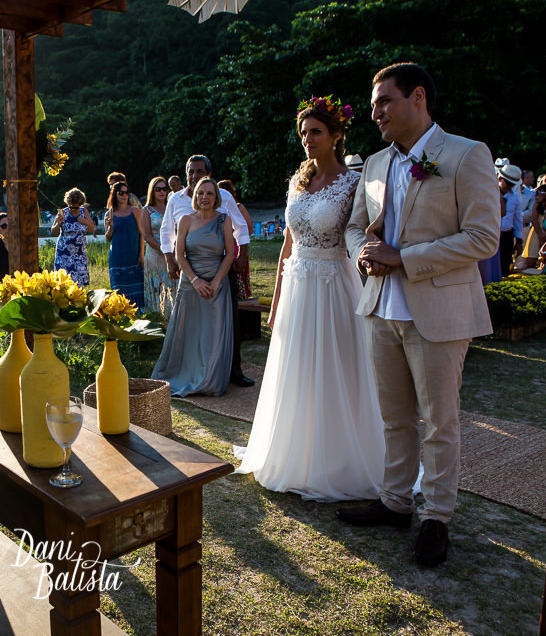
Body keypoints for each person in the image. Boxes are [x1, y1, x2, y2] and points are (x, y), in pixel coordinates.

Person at [340, 63, 500, 567]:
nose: (375, 112)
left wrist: (404, 258)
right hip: (380, 307)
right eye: (373, 105)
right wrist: (364, 249)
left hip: (440, 309)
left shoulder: (465, 154)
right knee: (394, 417)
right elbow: (354, 226)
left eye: (385, 101)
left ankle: (437, 516)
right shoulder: (372, 163)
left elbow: (483, 237)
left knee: (439, 419)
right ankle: (395, 501)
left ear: (418, 99)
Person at [237, 95, 384, 501]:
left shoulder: (354, 185)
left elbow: (360, 238)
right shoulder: (297, 183)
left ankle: (338, 460)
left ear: (336, 136)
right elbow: (287, 243)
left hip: (334, 285)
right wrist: (279, 299)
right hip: (298, 286)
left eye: (315, 131)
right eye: (303, 132)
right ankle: (295, 455)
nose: (307, 139)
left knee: (337, 367)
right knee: (297, 369)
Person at [159, 154, 255, 387]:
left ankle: (233, 371)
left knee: (229, 319)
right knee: (188, 322)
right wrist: (170, 260)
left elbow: (240, 227)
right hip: (190, 269)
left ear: (208, 174)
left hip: (219, 266)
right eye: (191, 171)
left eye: (199, 171)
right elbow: (166, 232)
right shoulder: (176, 199)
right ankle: (189, 367)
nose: (194, 176)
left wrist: (243, 255)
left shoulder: (224, 198)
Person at [151, 178, 236, 396]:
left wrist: (216, 282)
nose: (205, 197)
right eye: (200, 193)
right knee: (187, 332)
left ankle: (208, 379)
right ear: (195, 197)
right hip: (190, 282)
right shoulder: (186, 220)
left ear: (216, 197)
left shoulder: (224, 220)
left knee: (213, 333)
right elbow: (179, 254)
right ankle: (184, 372)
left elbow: (230, 254)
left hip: (217, 284)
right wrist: (196, 280)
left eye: (209, 193)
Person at [104, 180, 145, 308]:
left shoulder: (135, 211)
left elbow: (142, 234)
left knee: (138, 292)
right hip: (117, 258)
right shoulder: (110, 213)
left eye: (127, 192)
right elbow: (108, 237)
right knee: (120, 294)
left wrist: (141, 255)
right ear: (115, 194)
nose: (124, 195)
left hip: (134, 257)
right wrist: (110, 227)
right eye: (121, 193)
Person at [139, 176, 175, 318]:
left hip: (172, 252)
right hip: (155, 253)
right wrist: (163, 249)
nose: (162, 192)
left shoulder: (171, 207)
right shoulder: (146, 210)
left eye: (164, 189)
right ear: (152, 191)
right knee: (156, 287)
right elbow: (147, 235)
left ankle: (173, 318)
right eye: (158, 189)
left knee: (172, 284)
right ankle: (157, 319)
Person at [51, 187, 95, 286]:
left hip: (80, 255)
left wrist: (84, 221)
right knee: (63, 285)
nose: (74, 210)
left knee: (79, 286)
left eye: (77, 207)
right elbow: (53, 231)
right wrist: (58, 222)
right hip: (64, 255)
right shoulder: (63, 212)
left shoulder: (84, 212)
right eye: (71, 207)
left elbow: (92, 229)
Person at [218, 179, 254, 299]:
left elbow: (249, 228)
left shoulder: (239, 207)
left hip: (236, 244)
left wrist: (231, 232)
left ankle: (241, 296)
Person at [497, 164, 524, 274]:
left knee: (505, 266)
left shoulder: (515, 197)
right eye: (507, 183)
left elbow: (517, 220)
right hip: (492, 233)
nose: (509, 187)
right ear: (500, 179)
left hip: (506, 236)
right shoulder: (490, 193)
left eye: (512, 185)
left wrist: (519, 240)